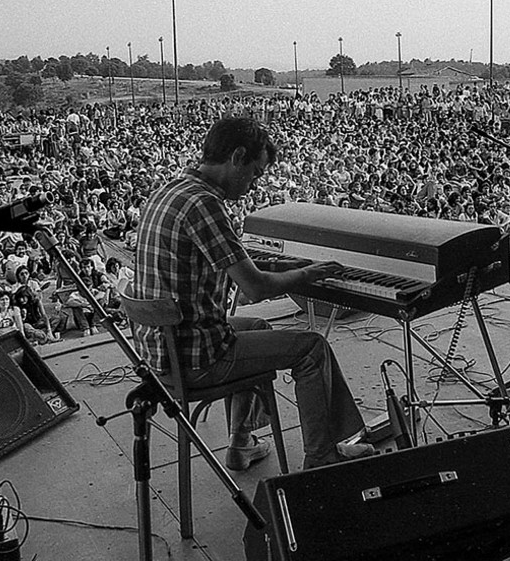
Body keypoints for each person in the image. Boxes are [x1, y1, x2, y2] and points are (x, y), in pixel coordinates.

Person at [133, 116, 372, 470]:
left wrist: (283, 267)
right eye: (255, 173)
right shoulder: (206, 205)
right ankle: (322, 456)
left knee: (257, 326)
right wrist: (307, 273)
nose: (253, 184)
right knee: (312, 348)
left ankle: (240, 443)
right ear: (237, 156)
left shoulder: (169, 191)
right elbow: (254, 287)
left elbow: (232, 264)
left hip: (159, 350)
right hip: (197, 358)